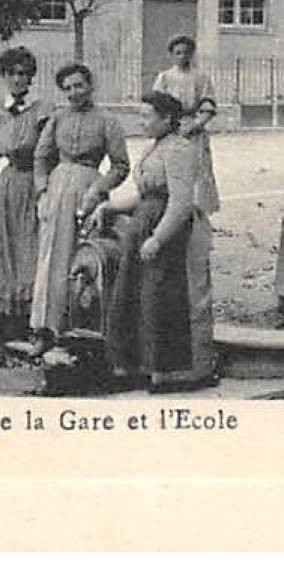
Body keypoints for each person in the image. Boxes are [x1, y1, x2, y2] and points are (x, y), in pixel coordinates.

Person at [91, 90, 217, 391]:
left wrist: (158, 239)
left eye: (147, 116)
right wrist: (109, 205)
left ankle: (173, 373)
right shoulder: (156, 147)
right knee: (136, 297)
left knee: (161, 299)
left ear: (167, 118)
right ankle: (136, 367)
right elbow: (144, 194)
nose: (141, 121)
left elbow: (181, 202)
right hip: (144, 226)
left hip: (170, 234)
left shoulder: (179, 149)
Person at [30, 63, 129, 355]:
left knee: (81, 261)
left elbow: (121, 165)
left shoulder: (107, 120)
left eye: (79, 86)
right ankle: (44, 329)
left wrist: (98, 190)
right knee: (50, 260)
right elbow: (41, 157)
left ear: (90, 85)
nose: (74, 92)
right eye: (68, 88)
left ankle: (79, 330)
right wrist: (42, 193)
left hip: (88, 191)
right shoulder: (57, 118)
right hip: (57, 190)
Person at [151, 33, 221, 383]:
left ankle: (193, 209)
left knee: (195, 179)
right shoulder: (165, 78)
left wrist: (197, 123)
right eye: (176, 52)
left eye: (186, 52)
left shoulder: (200, 76)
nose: (181, 57)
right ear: (171, 54)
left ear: (192, 53)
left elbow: (208, 104)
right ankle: (173, 207)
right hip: (172, 128)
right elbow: (156, 105)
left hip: (193, 131)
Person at [0, 46, 47, 343]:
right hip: (6, 186)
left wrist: (45, 189)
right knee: (3, 251)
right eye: (13, 74)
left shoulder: (42, 111)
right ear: (3, 76)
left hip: (33, 184)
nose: (19, 80)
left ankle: (30, 319)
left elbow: (48, 152)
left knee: (29, 248)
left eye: (25, 74)